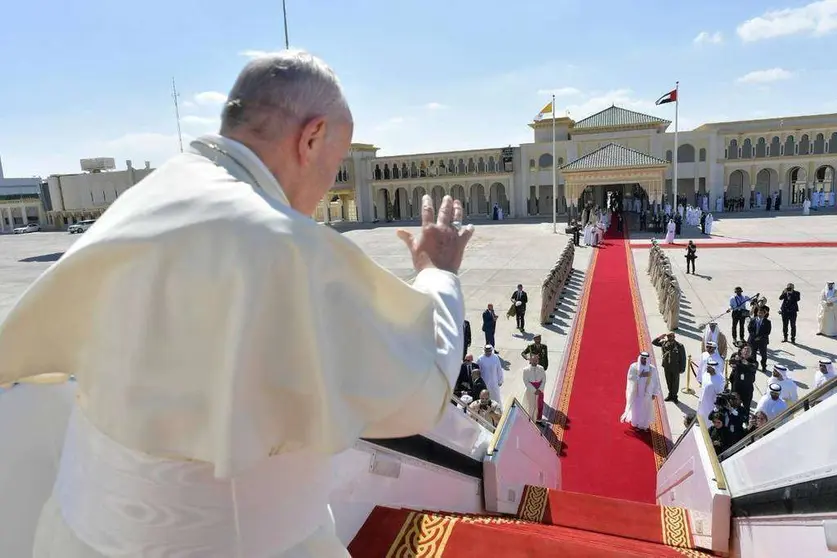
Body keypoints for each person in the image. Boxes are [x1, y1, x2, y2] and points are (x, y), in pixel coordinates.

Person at [0, 51, 476, 558]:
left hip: (74, 533)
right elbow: (420, 391)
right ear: (311, 138)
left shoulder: (148, 196)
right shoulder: (281, 243)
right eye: (334, 167)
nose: (322, 194)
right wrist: (438, 274)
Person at [620, 352, 661, 431]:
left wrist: (654, 393)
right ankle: (636, 424)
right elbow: (630, 377)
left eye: (645, 359)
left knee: (645, 409)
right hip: (636, 393)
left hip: (647, 394)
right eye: (642, 358)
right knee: (636, 409)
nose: (643, 360)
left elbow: (656, 381)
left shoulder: (652, 369)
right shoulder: (634, 367)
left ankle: (643, 425)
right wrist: (640, 376)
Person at [651, 332, 686, 402]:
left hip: (676, 367)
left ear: (674, 337)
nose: (670, 338)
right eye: (669, 337)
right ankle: (670, 395)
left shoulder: (679, 346)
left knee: (675, 382)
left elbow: (683, 358)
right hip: (666, 366)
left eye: (671, 336)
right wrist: (660, 337)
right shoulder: (664, 343)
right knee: (669, 381)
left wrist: (682, 368)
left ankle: (675, 396)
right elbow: (654, 342)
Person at [521, 354, 546, 423]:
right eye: (533, 360)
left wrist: (540, 389)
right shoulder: (525, 370)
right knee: (531, 406)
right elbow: (526, 382)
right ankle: (530, 420)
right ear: (530, 361)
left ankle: (538, 420)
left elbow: (544, 380)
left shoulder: (541, 368)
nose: (535, 362)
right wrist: (534, 390)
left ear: (538, 361)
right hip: (531, 390)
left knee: (540, 405)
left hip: (540, 390)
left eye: (536, 360)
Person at [748, 306, 772, 372]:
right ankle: (754, 365)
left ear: (764, 314)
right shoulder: (753, 320)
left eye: (761, 313)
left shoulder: (767, 322)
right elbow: (749, 329)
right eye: (759, 313)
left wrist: (760, 337)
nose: (760, 314)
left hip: (762, 341)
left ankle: (764, 366)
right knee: (753, 354)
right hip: (753, 340)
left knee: (764, 355)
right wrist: (754, 337)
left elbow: (768, 332)